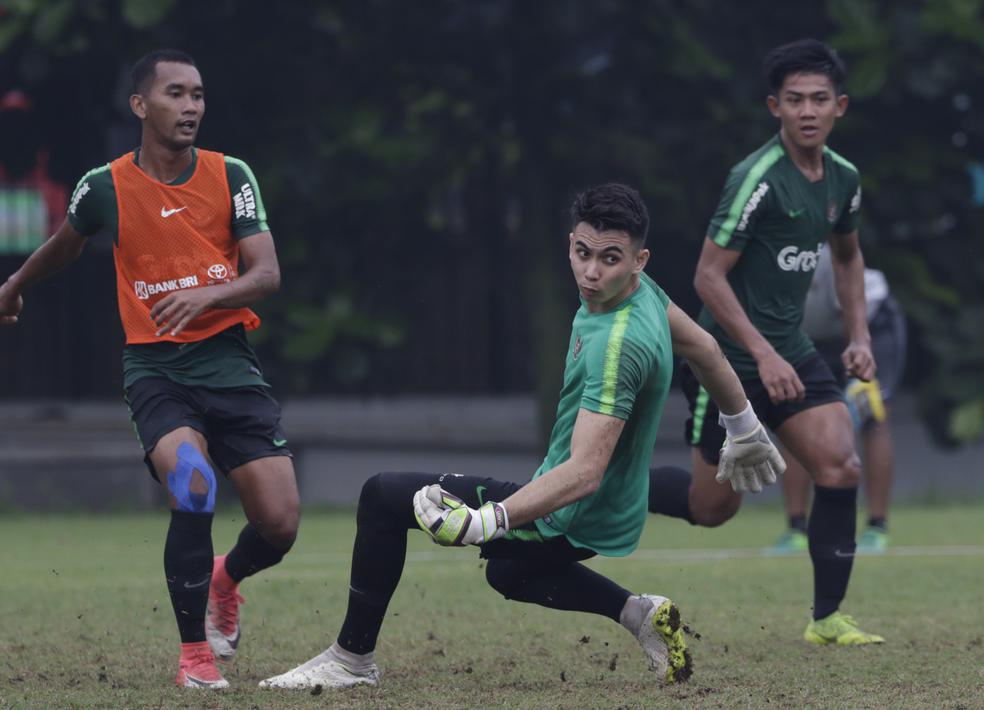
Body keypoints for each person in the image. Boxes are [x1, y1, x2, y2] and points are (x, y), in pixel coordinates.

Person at [260, 183, 784, 690]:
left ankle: (351, 661)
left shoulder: (617, 347)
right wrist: (742, 425)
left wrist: (489, 520)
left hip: (572, 509)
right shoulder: (642, 293)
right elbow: (706, 349)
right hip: (603, 506)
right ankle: (637, 613)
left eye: (610, 259)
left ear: (638, 260)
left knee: (382, 496)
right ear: (571, 244)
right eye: (584, 252)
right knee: (510, 573)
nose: (592, 272)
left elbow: (583, 473)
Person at [0, 49, 299, 689]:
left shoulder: (230, 174)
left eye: (197, 95)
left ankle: (226, 578)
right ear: (141, 105)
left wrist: (208, 296)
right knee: (193, 484)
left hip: (228, 361)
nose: (191, 106)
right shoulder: (104, 185)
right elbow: (65, 243)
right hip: (156, 369)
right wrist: (16, 283)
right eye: (175, 94)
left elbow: (266, 274)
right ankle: (195, 656)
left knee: (279, 524)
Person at [647, 38, 884, 646]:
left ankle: (827, 618)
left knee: (839, 463)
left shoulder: (845, 179)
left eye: (820, 100)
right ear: (775, 106)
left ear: (841, 107)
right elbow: (707, 276)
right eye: (796, 100)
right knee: (712, 510)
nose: (808, 111)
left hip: (792, 350)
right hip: (724, 359)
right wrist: (762, 353)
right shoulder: (755, 179)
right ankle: (612, 481)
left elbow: (849, 257)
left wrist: (859, 334)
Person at [769, 249, 907, 554]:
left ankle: (877, 527)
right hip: (809, 337)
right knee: (791, 416)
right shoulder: (755, 270)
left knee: (870, 411)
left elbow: (852, 310)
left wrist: (858, 367)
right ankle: (795, 529)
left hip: (867, 326)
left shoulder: (820, 260)